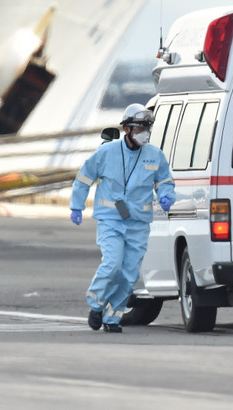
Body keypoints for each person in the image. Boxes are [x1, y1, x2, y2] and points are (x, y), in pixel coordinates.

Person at [70, 104, 175, 333]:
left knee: (129, 275)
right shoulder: (106, 153)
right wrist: (76, 206)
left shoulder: (155, 155)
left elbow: (165, 181)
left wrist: (167, 196)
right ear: (127, 129)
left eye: (147, 127)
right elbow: (83, 179)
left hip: (138, 223)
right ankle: (96, 305)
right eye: (140, 128)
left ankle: (112, 317)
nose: (144, 132)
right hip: (111, 220)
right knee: (112, 265)